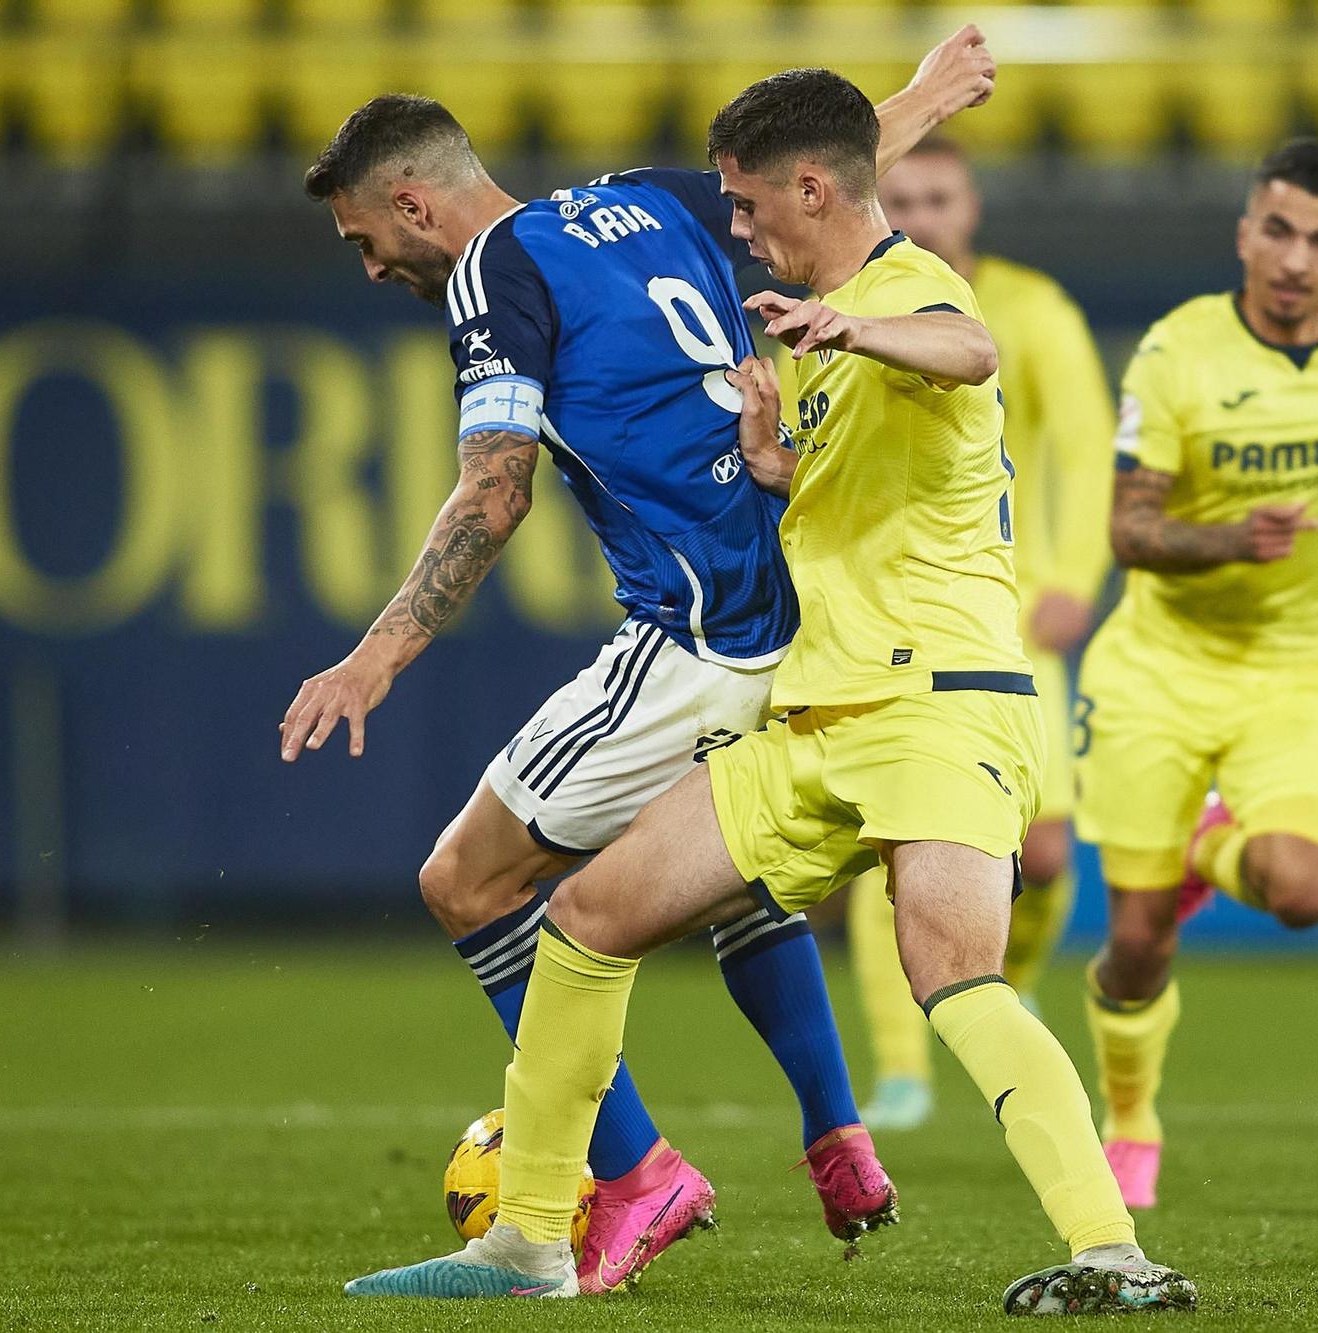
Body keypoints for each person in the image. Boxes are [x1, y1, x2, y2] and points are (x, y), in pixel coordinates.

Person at [341, 67, 1197, 1315]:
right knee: (588, 920)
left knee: (951, 970)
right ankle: (529, 1239)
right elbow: (857, 496)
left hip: (935, 705)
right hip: (815, 714)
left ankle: (1110, 1254)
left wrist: (859, 330)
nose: (732, 229)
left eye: (745, 207)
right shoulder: (815, 327)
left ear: (808, 194)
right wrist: (772, 460)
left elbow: (968, 350)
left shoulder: (900, 294)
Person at [279, 29, 999, 1292]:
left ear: (408, 200)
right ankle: (836, 1135)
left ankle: (631, 1174)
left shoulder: (489, 274)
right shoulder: (644, 200)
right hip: (798, 598)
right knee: (721, 871)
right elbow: (805, 173)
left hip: (697, 630)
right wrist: (923, 98)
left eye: (363, 240)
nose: (373, 266)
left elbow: (491, 496)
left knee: (468, 879)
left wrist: (372, 659)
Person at [1076, 138, 1318, 1210]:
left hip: (1298, 666)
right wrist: (1230, 539)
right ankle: (1128, 1119)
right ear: (1243, 233)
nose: (1296, 259)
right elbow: (1130, 529)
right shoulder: (1176, 356)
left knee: (1304, 889)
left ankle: (1208, 840)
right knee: (1132, 940)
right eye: (1278, 230)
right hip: (1161, 666)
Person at [844, 135, 1117, 1131]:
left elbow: (1087, 450)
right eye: (901, 198)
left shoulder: (1030, 310)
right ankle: (903, 1068)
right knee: (903, 839)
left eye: (938, 197)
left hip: (1010, 610)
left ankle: (1008, 978)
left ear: (971, 205)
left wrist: (1076, 574)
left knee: (1042, 853)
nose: (920, 216)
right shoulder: (850, 310)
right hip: (892, 618)